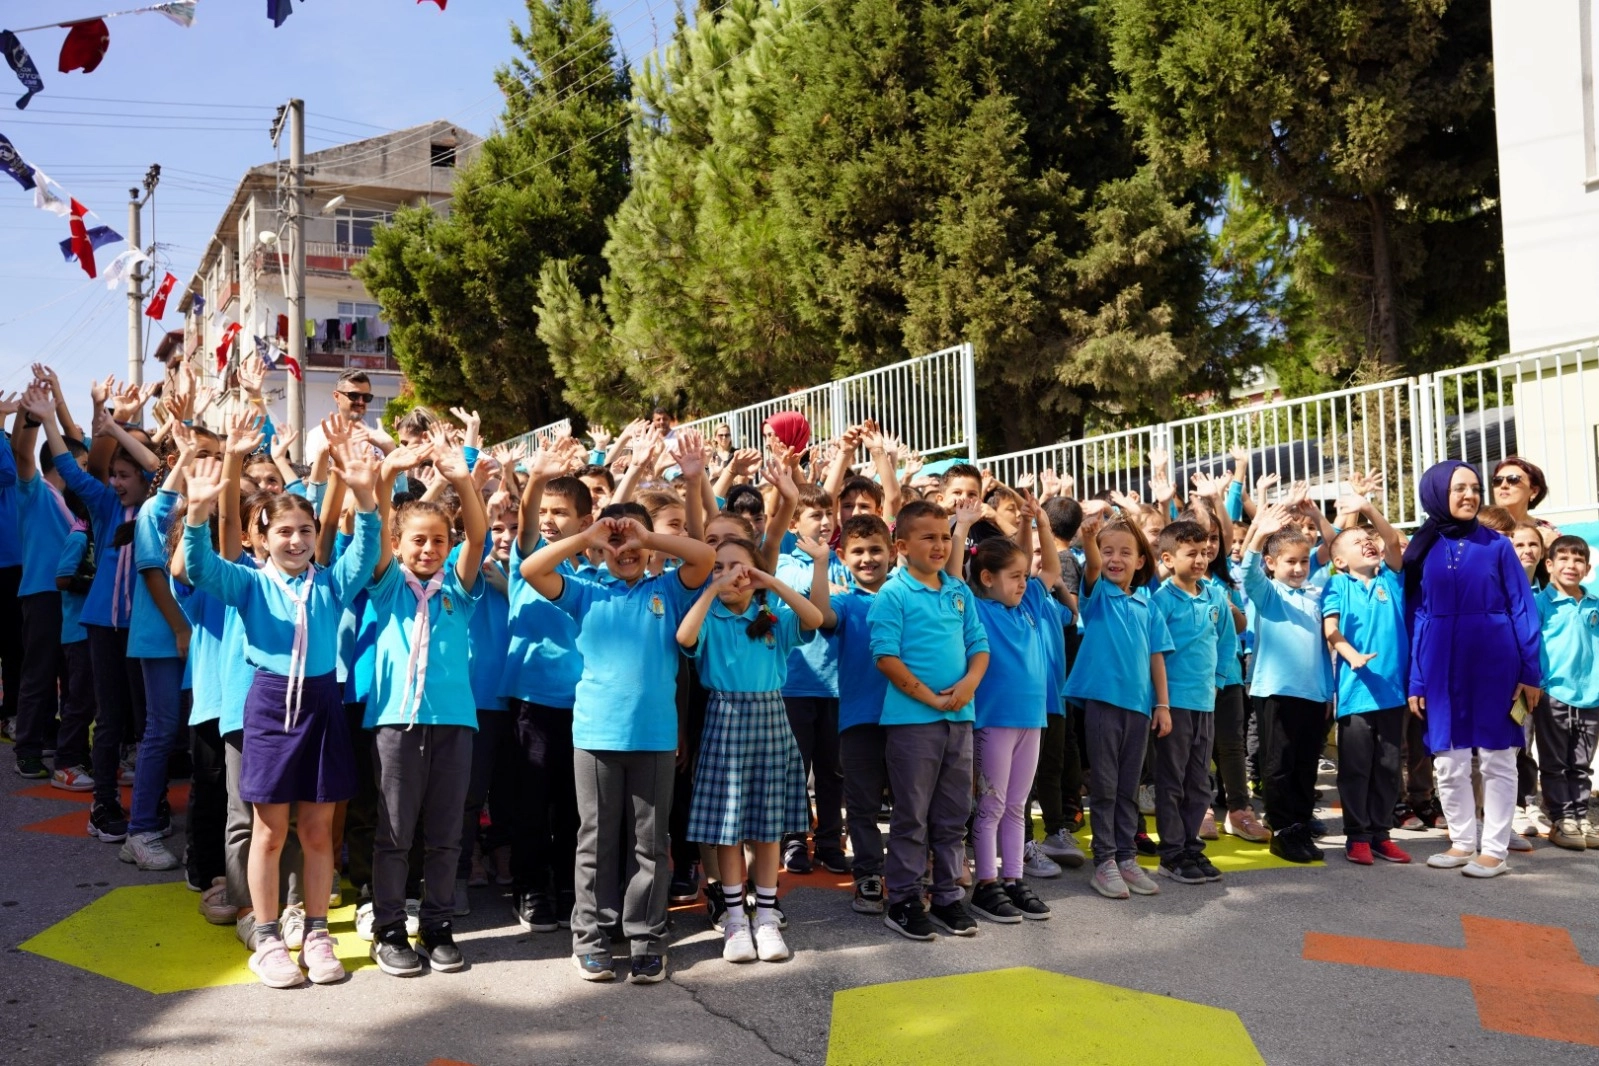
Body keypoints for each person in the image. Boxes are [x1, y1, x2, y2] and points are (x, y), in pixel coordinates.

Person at [181, 444, 382, 988]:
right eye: (284, 532)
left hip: (322, 705)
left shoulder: (331, 583)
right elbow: (198, 568)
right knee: (268, 833)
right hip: (269, 708)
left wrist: (365, 497)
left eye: (305, 531)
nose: (296, 541)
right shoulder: (248, 583)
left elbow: (366, 553)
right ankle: (266, 935)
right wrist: (197, 515)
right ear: (260, 539)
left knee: (318, 832)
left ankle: (316, 932)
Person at [520, 504, 714, 984]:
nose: (623, 552)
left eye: (632, 546)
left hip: (653, 738)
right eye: (614, 546)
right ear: (599, 552)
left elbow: (703, 558)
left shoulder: (666, 589)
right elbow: (531, 568)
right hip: (594, 737)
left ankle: (647, 937)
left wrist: (648, 537)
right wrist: (589, 534)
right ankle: (591, 938)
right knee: (596, 842)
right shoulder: (585, 591)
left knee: (650, 845)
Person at [363, 428, 487, 978]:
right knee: (394, 832)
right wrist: (388, 472)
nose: (428, 550)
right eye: (417, 540)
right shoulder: (389, 585)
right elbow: (371, 532)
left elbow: (478, 539)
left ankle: (436, 926)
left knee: (445, 834)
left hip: (453, 723)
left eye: (438, 541)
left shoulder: (458, 589)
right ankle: (389, 929)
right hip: (395, 723)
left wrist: (461, 482)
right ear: (398, 544)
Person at [678, 536, 826, 963]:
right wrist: (710, 589)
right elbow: (684, 637)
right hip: (724, 722)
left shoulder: (774, 617)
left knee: (767, 828)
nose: (730, 575)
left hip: (771, 720)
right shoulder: (710, 617)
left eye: (738, 566)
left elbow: (815, 618)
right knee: (727, 828)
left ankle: (765, 916)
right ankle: (734, 921)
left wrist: (770, 583)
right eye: (719, 566)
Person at [1404, 461, 1542, 879]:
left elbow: (1522, 607)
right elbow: (1418, 615)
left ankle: (1495, 849)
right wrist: (1416, 677)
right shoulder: (1421, 548)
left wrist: (1530, 670)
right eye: (1458, 488)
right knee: (1448, 759)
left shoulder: (1499, 546)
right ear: (1436, 494)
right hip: (1441, 663)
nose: (1470, 495)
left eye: (1475, 488)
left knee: (1499, 757)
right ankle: (1463, 841)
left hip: (1495, 661)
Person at [43, 383, 163, 845]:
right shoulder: (104, 503)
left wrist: (114, 424)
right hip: (102, 626)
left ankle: (149, 807)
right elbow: (72, 470)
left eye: (124, 474)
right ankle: (104, 805)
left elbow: (160, 468)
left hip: (144, 629)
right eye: (113, 474)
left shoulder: (159, 508)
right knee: (109, 718)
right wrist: (50, 418)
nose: (116, 482)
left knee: (148, 720)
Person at [870, 500, 990, 940]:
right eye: (929, 537)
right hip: (912, 723)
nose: (940, 545)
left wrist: (968, 686)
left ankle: (946, 895)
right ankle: (902, 899)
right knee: (912, 815)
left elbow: (979, 645)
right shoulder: (894, 593)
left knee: (954, 814)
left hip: (960, 718)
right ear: (901, 545)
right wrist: (929, 699)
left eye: (945, 537)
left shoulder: (958, 590)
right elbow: (886, 657)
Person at [1062, 514, 1172, 901]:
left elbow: (1157, 657)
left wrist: (1162, 704)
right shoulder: (1098, 597)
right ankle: (1105, 860)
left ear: (1142, 560)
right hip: (1104, 705)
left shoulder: (1148, 605)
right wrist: (1092, 540)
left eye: (1126, 552)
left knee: (1128, 787)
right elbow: (1091, 567)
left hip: (1140, 709)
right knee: (1106, 786)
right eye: (1108, 551)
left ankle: (1126, 856)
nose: (1115, 558)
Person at [966, 497, 1060, 923]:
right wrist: (961, 526)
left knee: (1018, 805)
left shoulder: (1028, 606)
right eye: (1014, 577)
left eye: (1025, 576)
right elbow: (953, 579)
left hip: (1030, 722)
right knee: (991, 805)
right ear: (987, 578)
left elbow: (1053, 572)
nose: (1024, 583)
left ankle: (1013, 879)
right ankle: (986, 883)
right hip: (994, 723)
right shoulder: (977, 609)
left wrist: (1039, 521)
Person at [1321, 495, 1413, 866]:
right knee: (1357, 768)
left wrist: (1369, 508)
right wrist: (1351, 654)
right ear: (1340, 560)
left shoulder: (1391, 579)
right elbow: (1331, 628)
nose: (1368, 543)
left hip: (1392, 694)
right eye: (1357, 542)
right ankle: (1356, 835)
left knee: (1389, 769)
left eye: (1368, 539)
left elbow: (1392, 541)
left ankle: (1381, 834)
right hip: (1357, 694)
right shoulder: (1338, 585)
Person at [1241, 503, 1335, 864]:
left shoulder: (1315, 594)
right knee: (1278, 764)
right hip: (1276, 692)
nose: (1297, 569)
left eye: (1303, 562)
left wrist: (1328, 692)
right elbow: (1248, 573)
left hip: (1313, 694)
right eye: (1289, 562)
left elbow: (1335, 549)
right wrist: (1260, 533)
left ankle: (1299, 824)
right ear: (1272, 564)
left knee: (1304, 765)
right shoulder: (1268, 595)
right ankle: (1282, 830)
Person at [816, 514, 894, 915]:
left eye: (876, 549)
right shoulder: (845, 602)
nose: (868, 558)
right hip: (859, 720)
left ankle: (905, 872)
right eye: (859, 552)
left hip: (907, 720)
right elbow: (820, 617)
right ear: (844, 557)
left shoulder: (906, 596)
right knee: (861, 804)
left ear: (892, 553)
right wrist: (817, 565)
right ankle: (867, 872)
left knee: (911, 804)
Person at [7, 376, 83, 782]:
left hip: (68, 599)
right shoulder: (35, 490)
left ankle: (56, 742)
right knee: (38, 673)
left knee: (67, 676)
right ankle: (28, 750)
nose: (84, 472)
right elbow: (22, 454)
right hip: (40, 594)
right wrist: (31, 416)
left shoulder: (73, 508)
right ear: (60, 462)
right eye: (80, 465)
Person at [774, 484, 849, 876]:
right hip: (795, 684)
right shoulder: (787, 563)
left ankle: (829, 839)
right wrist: (824, 577)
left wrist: (833, 578)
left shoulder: (843, 562)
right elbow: (803, 593)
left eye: (827, 514)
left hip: (838, 686)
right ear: (793, 523)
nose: (824, 522)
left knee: (833, 769)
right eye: (814, 515)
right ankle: (793, 839)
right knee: (795, 769)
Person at [1149, 520, 1225, 885]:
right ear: (1167, 557)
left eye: (1205, 552)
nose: (1200, 559)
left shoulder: (1214, 596)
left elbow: (1224, 642)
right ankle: (1172, 851)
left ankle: (1191, 845)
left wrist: (1220, 682)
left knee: (1200, 781)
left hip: (1204, 704)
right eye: (1190, 553)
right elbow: (1154, 654)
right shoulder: (1160, 601)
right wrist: (1160, 705)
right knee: (1173, 780)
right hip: (1174, 704)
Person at [1532, 536, 1598, 851]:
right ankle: (1562, 818)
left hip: (1591, 697)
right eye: (1564, 558)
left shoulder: (1595, 604)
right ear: (1549, 565)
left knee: (1582, 763)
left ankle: (1581, 816)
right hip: (1552, 694)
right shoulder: (1540, 604)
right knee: (1555, 762)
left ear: (1587, 568)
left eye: (1578, 560)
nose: (1571, 565)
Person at [303, 370, 395, 467]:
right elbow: (318, 479)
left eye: (366, 397)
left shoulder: (377, 437)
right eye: (354, 396)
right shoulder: (319, 434)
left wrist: (390, 449)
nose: (360, 402)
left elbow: (390, 479)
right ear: (336, 396)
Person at [1490, 457, 1559, 546]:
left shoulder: (1547, 531)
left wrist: (1554, 545)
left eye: (1513, 479)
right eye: (1498, 480)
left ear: (1534, 491)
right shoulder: (1481, 527)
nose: (1503, 485)